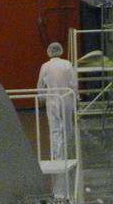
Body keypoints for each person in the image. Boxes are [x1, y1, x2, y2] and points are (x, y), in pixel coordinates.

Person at [37, 41, 77, 199]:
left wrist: (41, 98)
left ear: (49, 52)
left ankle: (57, 156)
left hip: (52, 100)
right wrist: (76, 98)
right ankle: (68, 153)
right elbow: (73, 83)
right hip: (66, 99)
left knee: (55, 129)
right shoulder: (67, 64)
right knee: (68, 127)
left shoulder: (45, 66)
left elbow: (40, 86)